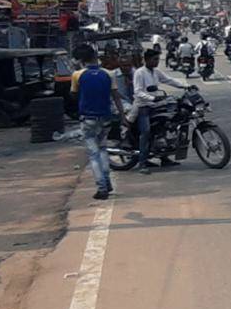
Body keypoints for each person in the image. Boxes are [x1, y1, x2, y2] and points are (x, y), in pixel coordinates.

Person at [73, 44, 124, 200]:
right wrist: (123, 116)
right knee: (102, 150)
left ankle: (102, 187)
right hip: (105, 117)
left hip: (88, 118)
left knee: (93, 155)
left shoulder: (77, 75)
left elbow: (74, 95)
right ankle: (107, 182)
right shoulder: (109, 74)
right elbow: (116, 97)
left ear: (81, 60)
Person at [130, 47, 189, 175]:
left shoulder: (156, 72)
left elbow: (168, 80)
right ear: (146, 60)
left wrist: (186, 86)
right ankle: (142, 163)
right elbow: (138, 92)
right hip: (143, 106)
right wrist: (152, 97)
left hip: (157, 105)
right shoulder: (139, 73)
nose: (156, 62)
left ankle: (164, 157)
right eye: (154, 59)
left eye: (157, 59)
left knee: (164, 127)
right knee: (145, 132)